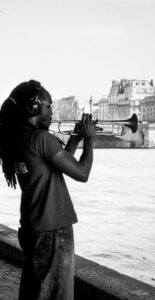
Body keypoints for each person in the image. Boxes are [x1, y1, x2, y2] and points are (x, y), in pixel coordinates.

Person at [0, 79, 96, 299]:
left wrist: (75, 137)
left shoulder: (21, 140)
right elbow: (82, 173)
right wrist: (89, 140)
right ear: (33, 108)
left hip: (34, 227)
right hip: (54, 230)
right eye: (48, 106)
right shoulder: (42, 138)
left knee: (37, 292)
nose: (52, 111)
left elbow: (60, 164)